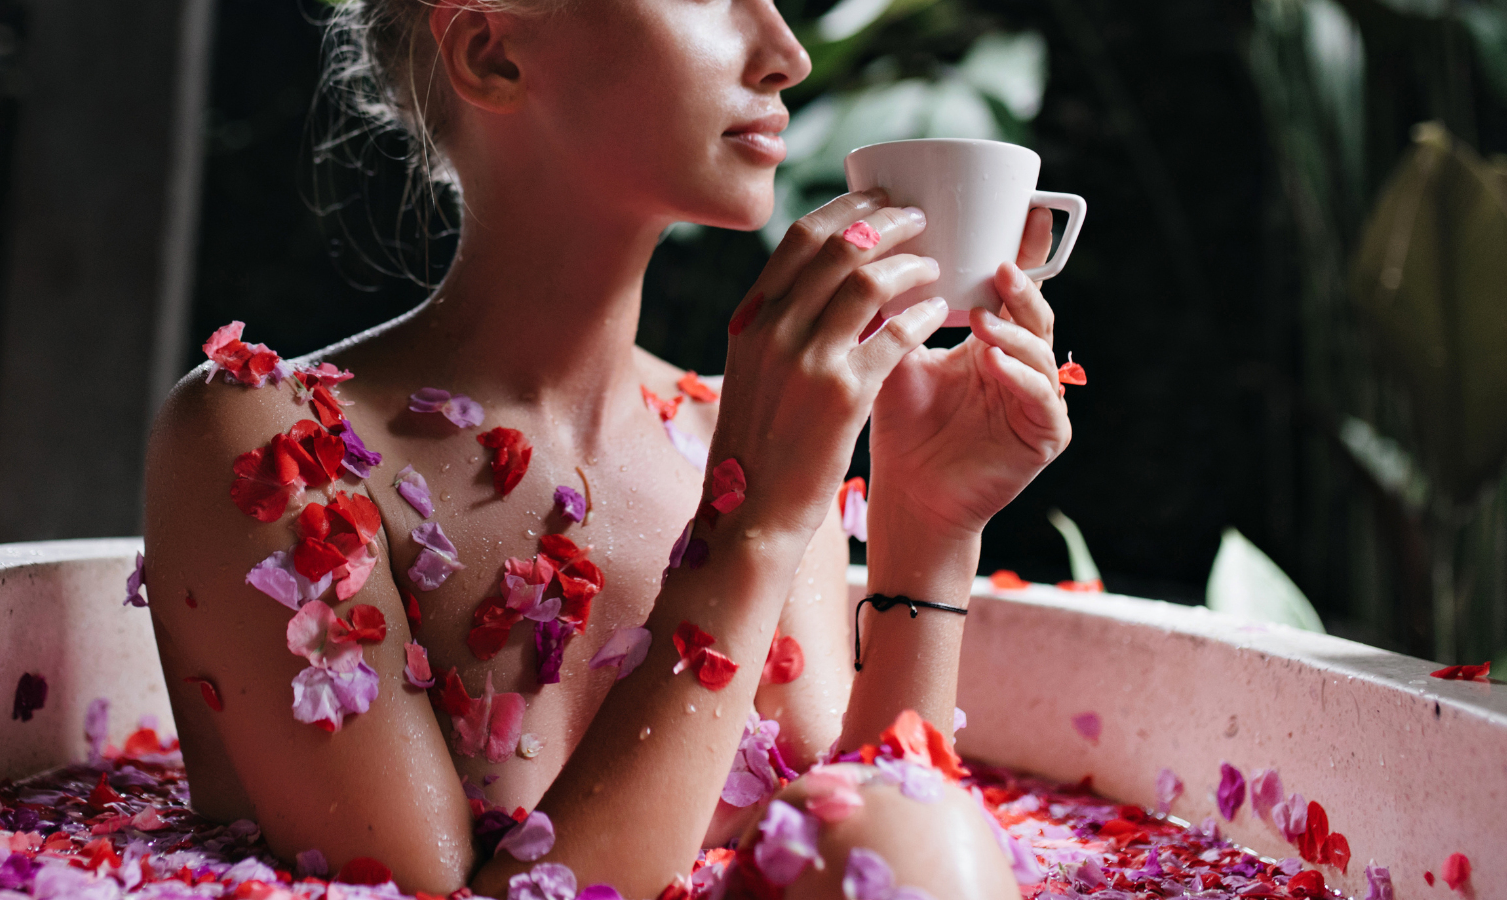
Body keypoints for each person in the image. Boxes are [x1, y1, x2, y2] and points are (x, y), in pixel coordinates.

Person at [142, 0, 1071, 897]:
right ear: (491, 56)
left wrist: (927, 521)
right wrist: (747, 530)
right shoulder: (272, 442)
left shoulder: (742, 437)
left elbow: (872, 832)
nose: (787, 52)